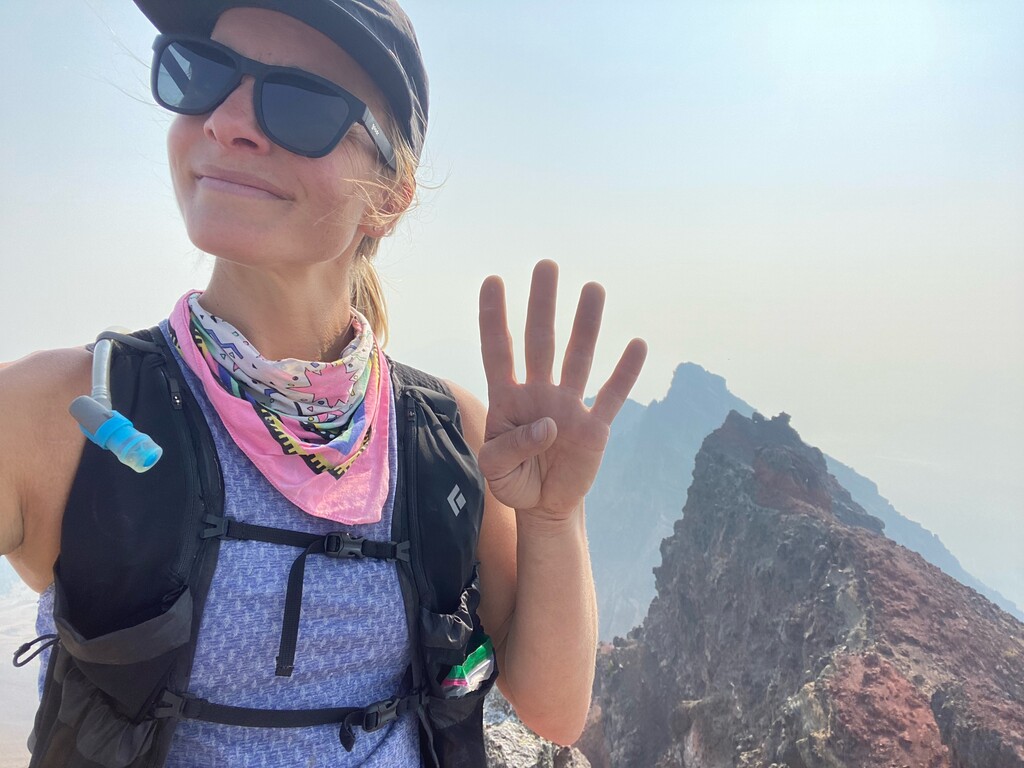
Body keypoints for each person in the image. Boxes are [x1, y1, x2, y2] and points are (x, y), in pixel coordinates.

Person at [0, 1, 647, 765]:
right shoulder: (59, 413)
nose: (229, 120)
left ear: (392, 192)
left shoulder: (448, 437)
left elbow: (554, 709)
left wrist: (552, 519)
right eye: (204, 77)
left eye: (300, 102)